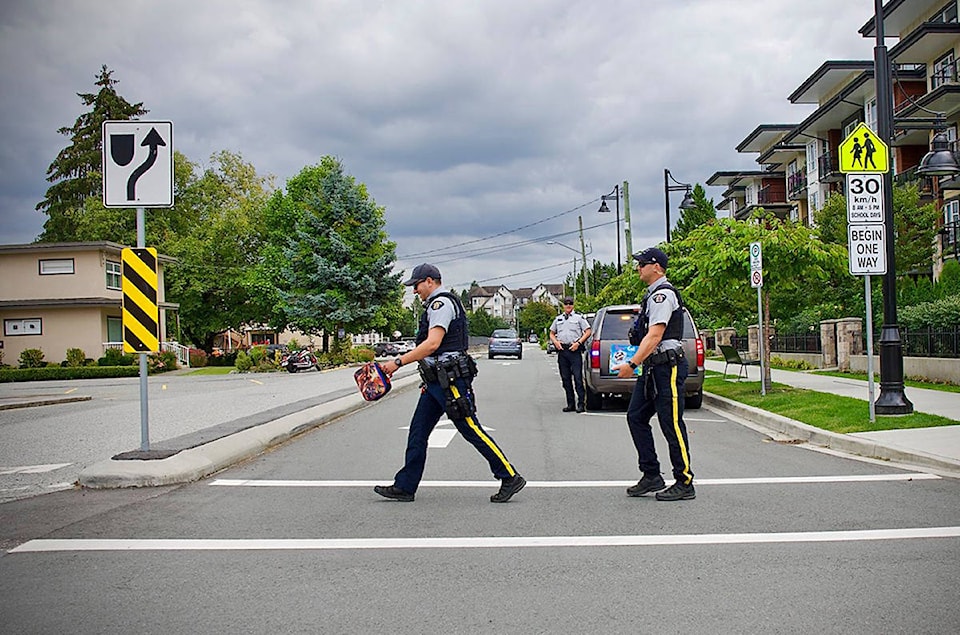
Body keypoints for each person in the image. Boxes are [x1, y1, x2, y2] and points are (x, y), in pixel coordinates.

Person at [375, 263, 525, 503]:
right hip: (436, 380)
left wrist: (398, 362)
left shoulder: (440, 304)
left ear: (430, 281)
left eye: (416, 285)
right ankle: (405, 486)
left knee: (470, 428)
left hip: (450, 380)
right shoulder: (435, 305)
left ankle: (509, 476)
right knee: (418, 432)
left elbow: (433, 344)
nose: (415, 290)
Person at [613, 247, 695, 502]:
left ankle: (684, 481)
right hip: (653, 368)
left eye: (642, 264)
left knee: (671, 423)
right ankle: (651, 475)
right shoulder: (651, 296)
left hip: (666, 368)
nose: (638, 268)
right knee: (636, 416)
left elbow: (655, 335)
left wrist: (632, 363)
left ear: (656, 267)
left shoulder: (662, 296)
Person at [549, 297, 592, 413]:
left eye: (570, 304)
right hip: (563, 350)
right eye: (566, 304)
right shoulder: (558, 319)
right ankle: (570, 404)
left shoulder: (579, 318)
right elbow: (552, 333)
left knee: (578, 378)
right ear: (563, 305)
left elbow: (588, 331)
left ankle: (581, 404)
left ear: (573, 305)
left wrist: (579, 343)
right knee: (565, 379)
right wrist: (556, 342)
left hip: (574, 350)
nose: (568, 306)